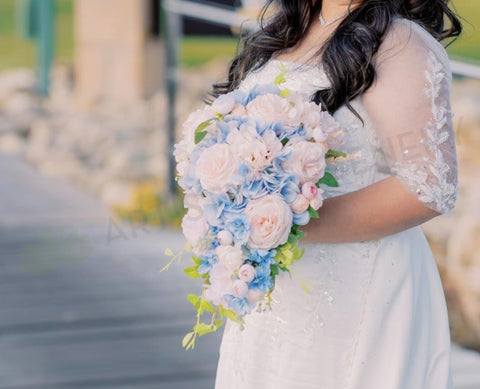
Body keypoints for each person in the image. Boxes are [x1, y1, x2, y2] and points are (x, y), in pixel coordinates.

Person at [210, 0, 463, 388]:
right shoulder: (287, 29)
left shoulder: (399, 43)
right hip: (277, 290)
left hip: (359, 292)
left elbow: (429, 185)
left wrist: (283, 222)